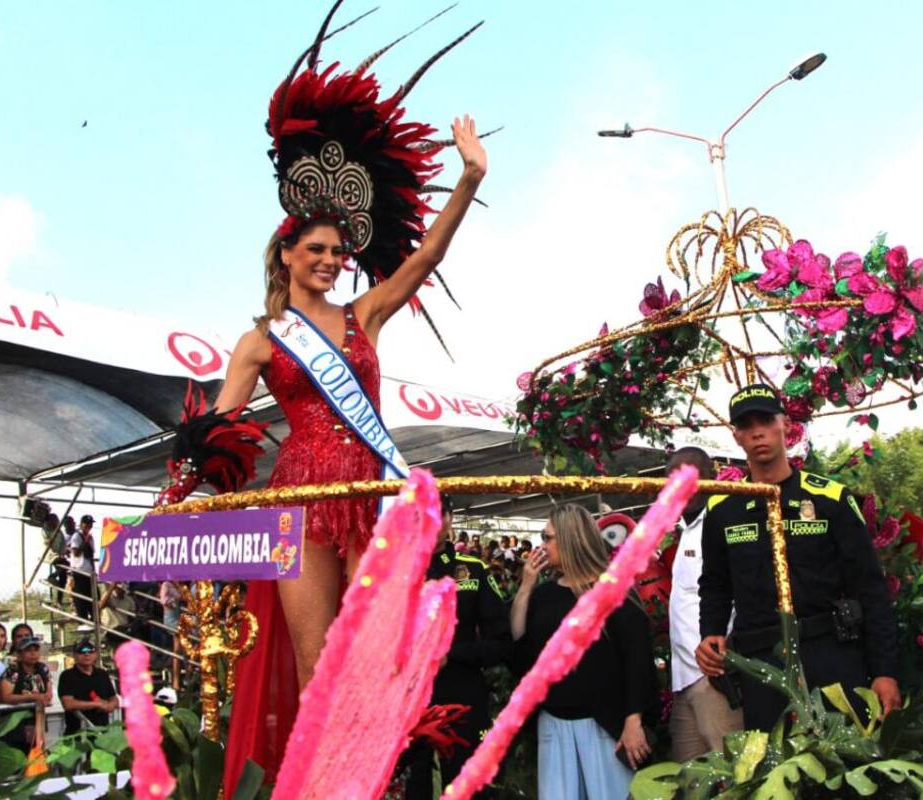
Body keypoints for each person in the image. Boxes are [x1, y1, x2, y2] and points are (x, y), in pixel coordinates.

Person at [219, 14, 488, 785]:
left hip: (369, 494)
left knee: (374, 652)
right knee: (319, 662)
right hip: (300, 504)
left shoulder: (362, 314)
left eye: (340, 253)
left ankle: (375, 777)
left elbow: (427, 254)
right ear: (287, 256)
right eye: (320, 252)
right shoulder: (261, 341)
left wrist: (469, 178)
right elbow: (223, 433)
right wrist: (194, 471)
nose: (335, 263)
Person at [696, 384, 901, 733]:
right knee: (777, 776)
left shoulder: (829, 498)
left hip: (832, 653)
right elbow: (715, 584)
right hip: (762, 661)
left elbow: (870, 588)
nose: (757, 432)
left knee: (847, 769)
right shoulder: (721, 508)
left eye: (766, 420)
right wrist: (710, 632)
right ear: (737, 437)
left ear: (786, 425)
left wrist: (885, 671)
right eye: (746, 425)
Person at [511, 504, 656, 798]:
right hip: (554, 721)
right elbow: (518, 640)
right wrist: (525, 587)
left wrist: (633, 720)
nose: (542, 544)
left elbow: (637, 659)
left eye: (547, 537)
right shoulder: (544, 594)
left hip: (603, 724)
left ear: (569, 539)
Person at [404, 498, 511, 797]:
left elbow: (500, 643)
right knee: (414, 786)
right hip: (408, 701)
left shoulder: (473, 571)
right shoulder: (396, 570)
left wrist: (452, 656)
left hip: (463, 697)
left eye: (438, 514)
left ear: (450, 519)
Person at [663, 448, 744, 762]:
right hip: (684, 680)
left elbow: (736, 597)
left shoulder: (722, 525)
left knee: (735, 778)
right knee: (691, 781)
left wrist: (727, 660)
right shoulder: (686, 530)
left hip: (715, 680)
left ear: (711, 479)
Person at [0, 636, 54, 749]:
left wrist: (45, 697)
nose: (33, 653)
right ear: (19, 654)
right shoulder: (13, 670)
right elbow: (6, 697)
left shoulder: (43, 669)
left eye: (35, 650)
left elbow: (48, 691)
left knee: (38, 755)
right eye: (28, 650)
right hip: (16, 721)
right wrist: (33, 697)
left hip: (38, 718)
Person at [58, 639, 119, 734]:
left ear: (96, 654)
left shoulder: (102, 674)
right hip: (77, 734)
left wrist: (110, 705)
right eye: (82, 651)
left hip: (102, 734)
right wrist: (97, 704)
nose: (87, 654)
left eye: (90, 651)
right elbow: (68, 704)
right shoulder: (67, 676)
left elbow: (113, 697)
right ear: (74, 655)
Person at [67, 527, 96, 623]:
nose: (89, 526)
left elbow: (91, 556)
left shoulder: (91, 539)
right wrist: (85, 541)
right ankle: (83, 621)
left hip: (89, 573)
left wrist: (94, 570)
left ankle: (94, 621)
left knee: (94, 601)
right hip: (79, 572)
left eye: (90, 524)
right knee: (81, 602)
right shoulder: (77, 536)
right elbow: (76, 553)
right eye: (87, 524)